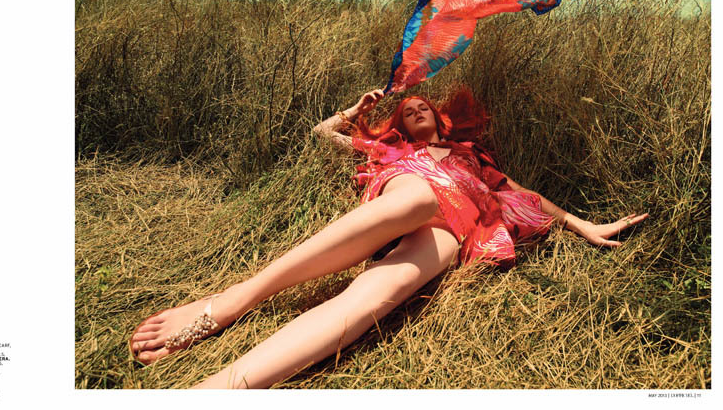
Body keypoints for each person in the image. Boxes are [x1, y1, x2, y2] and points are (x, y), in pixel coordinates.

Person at [128, 88, 648, 388]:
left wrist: (583, 224)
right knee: (417, 199)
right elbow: (321, 135)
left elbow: (523, 193)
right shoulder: (393, 151)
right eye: (408, 110)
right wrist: (355, 112)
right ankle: (234, 300)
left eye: (425, 107)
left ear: (440, 117)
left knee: (378, 295)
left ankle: (227, 386)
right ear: (399, 123)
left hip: (459, 222)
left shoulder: (471, 155)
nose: (417, 110)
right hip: (410, 195)